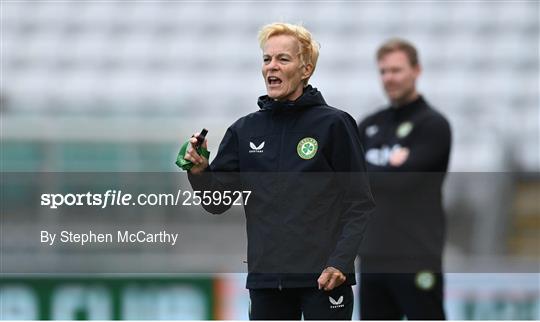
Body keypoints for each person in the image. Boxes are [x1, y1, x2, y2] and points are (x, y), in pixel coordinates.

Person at [182, 23, 375, 320]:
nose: (272, 66)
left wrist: (339, 263)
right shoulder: (244, 130)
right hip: (266, 283)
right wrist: (199, 172)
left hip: (323, 281)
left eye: (283, 59)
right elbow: (216, 202)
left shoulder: (334, 125)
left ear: (305, 69)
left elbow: (359, 203)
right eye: (267, 59)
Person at [357, 38, 452, 320]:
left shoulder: (433, 125)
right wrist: (389, 166)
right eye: (383, 71)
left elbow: (402, 182)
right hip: (372, 257)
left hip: (416, 256)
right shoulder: (370, 124)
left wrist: (369, 170)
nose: (389, 78)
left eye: (396, 70)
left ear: (416, 70)